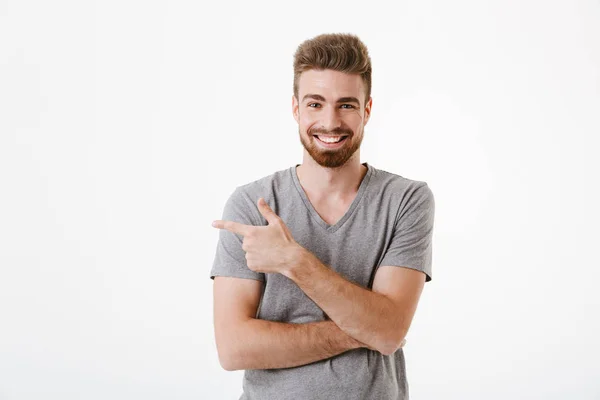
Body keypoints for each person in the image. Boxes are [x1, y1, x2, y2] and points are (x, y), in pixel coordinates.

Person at [209, 32, 435, 400]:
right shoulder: (251, 204)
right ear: (296, 109)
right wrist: (359, 331)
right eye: (316, 104)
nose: (330, 122)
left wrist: (294, 261)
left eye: (346, 105)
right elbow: (234, 348)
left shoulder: (406, 200)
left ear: (368, 109)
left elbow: (389, 332)